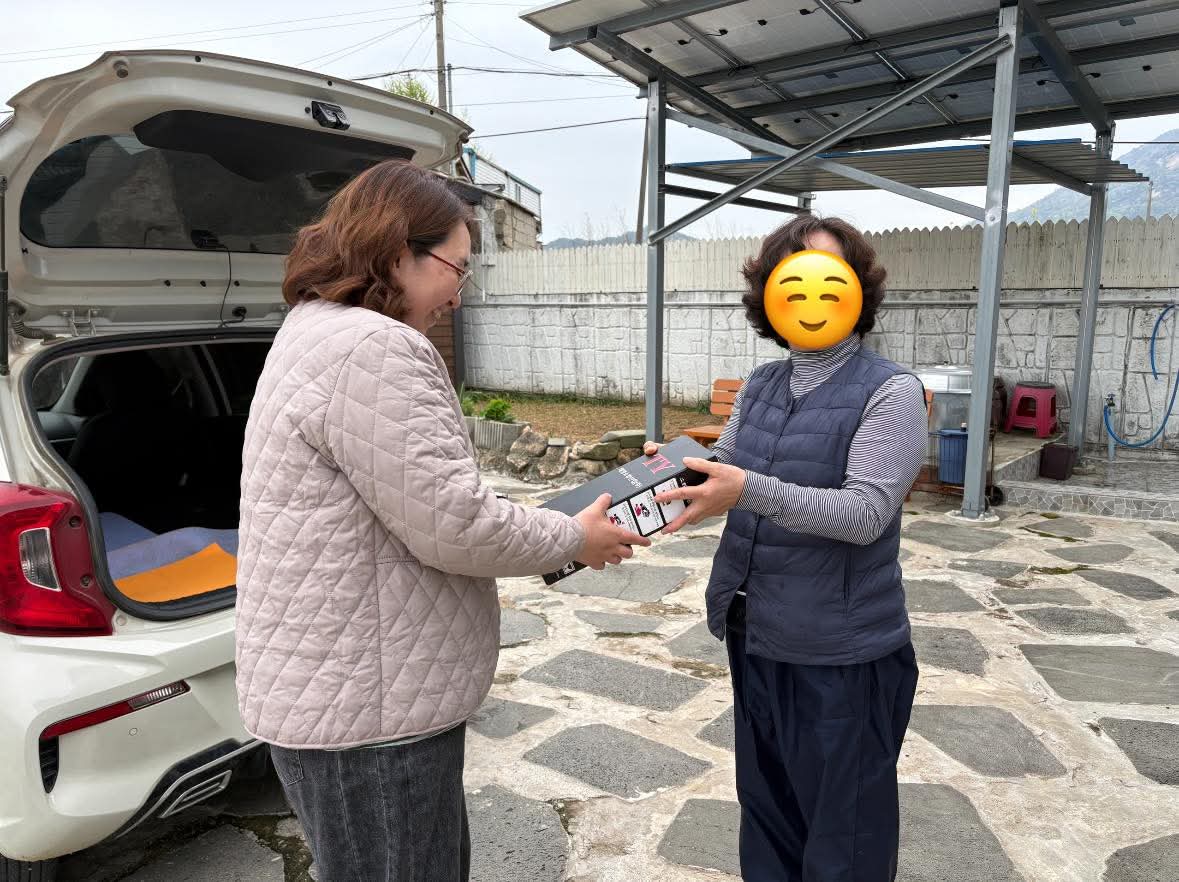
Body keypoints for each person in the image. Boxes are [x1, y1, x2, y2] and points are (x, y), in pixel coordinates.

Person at [235, 160, 648, 882]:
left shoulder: (313, 329)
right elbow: (456, 524)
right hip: (372, 711)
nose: (459, 295)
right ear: (400, 254)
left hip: (347, 692)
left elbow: (420, 503)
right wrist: (574, 537)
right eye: (457, 269)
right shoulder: (374, 347)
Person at [649, 215, 926, 881]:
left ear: (858, 289)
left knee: (844, 836)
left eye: (829, 278)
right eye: (791, 280)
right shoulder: (762, 383)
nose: (810, 295)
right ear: (769, 294)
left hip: (842, 650)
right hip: (757, 627)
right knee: (768, 812)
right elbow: (729, 467)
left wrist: (745, 488)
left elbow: (864, 513)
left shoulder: (891, 392)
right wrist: (671, 472)